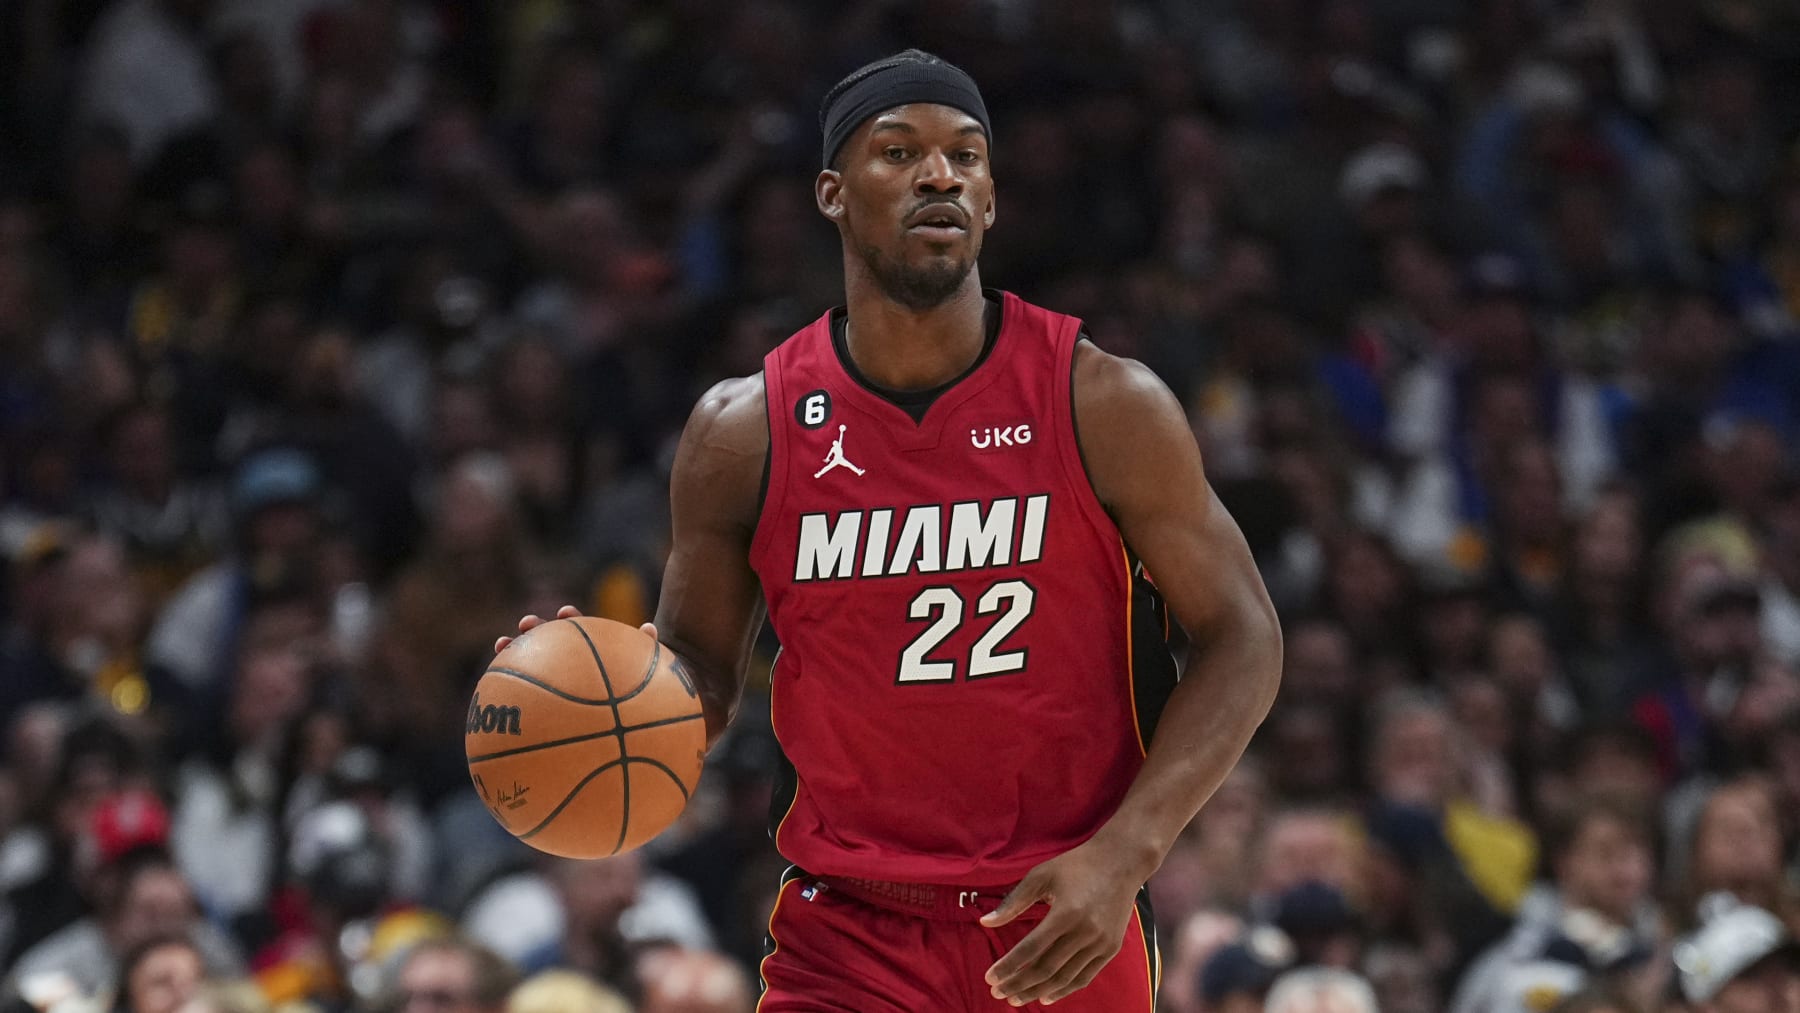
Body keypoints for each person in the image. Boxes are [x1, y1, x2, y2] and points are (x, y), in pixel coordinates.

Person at [497, 49, 1281, 1010]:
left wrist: (1127, 853)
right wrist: (595, 696)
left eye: (966, 156)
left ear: (990, 199)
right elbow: (700, 668)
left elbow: (1244, 634)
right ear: (832, 192)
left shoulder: (1104, 401)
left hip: (1061, 910)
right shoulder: (743, 432)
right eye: (899, 151)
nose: (939, 174)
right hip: (850, 928)